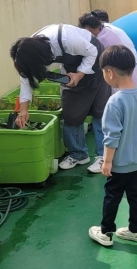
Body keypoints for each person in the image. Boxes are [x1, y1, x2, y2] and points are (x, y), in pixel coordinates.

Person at [9, 24, 111, 173]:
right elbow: (26, 80)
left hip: (95, 62)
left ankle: (103, 156)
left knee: (100, 111)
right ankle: (78, 154)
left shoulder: (67, 39)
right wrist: (23, 110)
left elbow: (92, 52)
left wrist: (79, 74)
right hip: (71, 68)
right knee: (71, 112)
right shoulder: (26, 53)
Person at [88, 45, 137, 247]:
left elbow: (111, 136)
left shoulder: (114, 102)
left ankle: (106, 231)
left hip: (120, 164)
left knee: (112, 196)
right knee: (136, 195)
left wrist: (107, 162)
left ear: (109, 72)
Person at [78, 12, 137, 89]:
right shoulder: (107, 29)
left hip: (119, 73)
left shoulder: (101, 40)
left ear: (88, 29)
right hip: (129, 69)